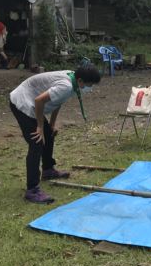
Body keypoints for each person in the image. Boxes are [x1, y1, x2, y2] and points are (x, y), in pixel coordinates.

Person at [9, 64, 101, 203]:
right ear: (81, 81)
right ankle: (32, 190)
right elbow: (39, 100)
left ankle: (47, 170)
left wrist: (51, 124)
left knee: (49, 133)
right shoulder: (66, 86)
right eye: (89, 84)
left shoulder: (73, 78)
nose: (90, 88)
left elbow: (58, 101)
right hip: (22, 101)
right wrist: (40, 126)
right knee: (37, 142)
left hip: (32, 99)